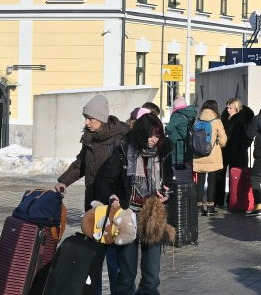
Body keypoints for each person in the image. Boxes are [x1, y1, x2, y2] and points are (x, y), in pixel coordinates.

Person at [55, 94, 130, 295]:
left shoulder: (120, 139)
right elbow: (81, 163)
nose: (86, 122)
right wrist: (64, 181)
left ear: (102, 119)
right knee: (93, 259)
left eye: (90, 118)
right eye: (85, 118)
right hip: (93, 209)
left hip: (113, 209)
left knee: (114, 260)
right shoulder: (90, 138)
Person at [95, 114, 175, 295]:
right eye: (150, 135)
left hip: (152, 216)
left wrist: (165, 191)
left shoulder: (164, 151)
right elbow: (104, 180)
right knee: (126, 275)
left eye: (157, 135)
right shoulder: (125, 150)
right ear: (140, 134)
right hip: (128, 216)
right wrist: (112, 197)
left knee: (152, 276)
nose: (153, 140)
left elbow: (169, 179)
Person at [192, 99, 228, 215]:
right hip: (212, 155)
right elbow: (223, 140)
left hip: (198, 155)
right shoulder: (217, 121)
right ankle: (210, 207)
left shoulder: (197, 120)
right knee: (212, 181)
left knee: (200, 182)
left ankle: (198, 207)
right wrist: (218, 146)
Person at [165, 96, 198, 169]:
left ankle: (177, 176)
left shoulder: (177, 115)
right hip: (188, 140)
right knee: (186, 160)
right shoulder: (192, 114)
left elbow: (169, 128)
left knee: (177, 160)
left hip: (177, 141)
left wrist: (166, 128)